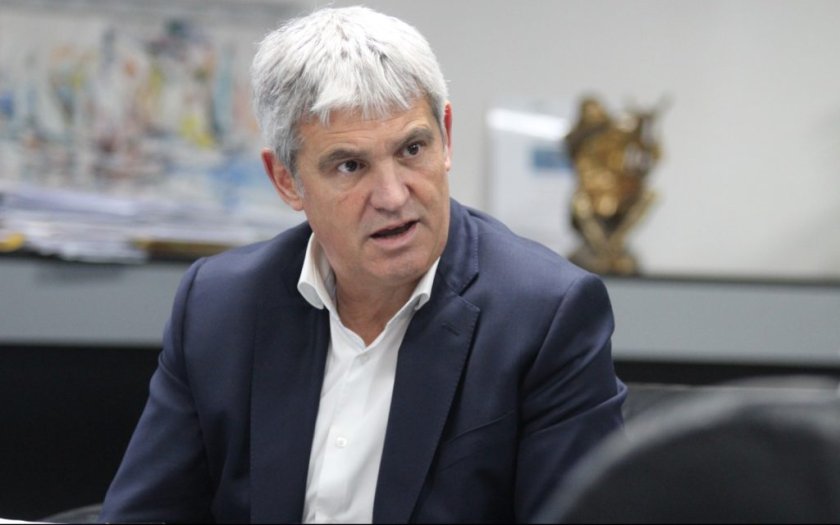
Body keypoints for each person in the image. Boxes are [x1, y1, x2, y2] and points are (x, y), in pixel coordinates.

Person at [99, 6, 626, 523]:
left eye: (412, 149)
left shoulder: (544, 315)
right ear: (286, 180)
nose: (393, 196)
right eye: (350, 165)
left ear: (446, 136)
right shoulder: (219, 307)